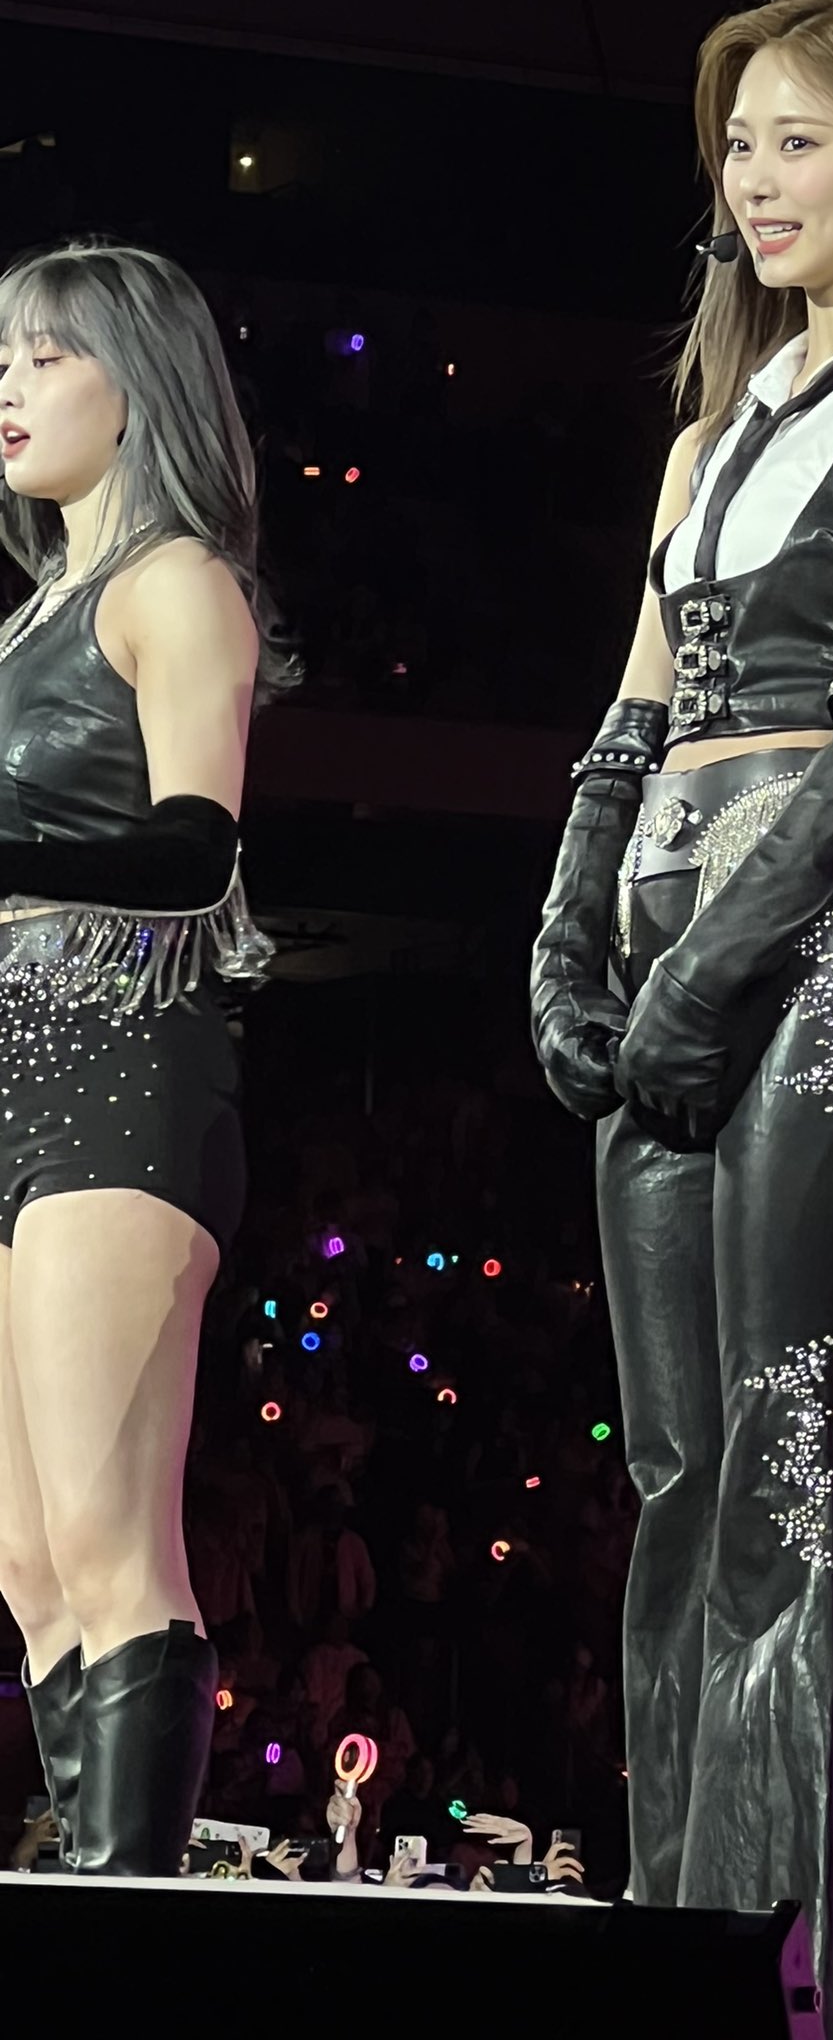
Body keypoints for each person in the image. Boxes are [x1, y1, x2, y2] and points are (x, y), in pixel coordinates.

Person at [530, 0, 833, 2034]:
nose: (752, 179)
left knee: (795, 1458)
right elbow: (628, 721)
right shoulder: (711, 432)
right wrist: (570, 945)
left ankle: (811, 1984)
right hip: (667, 932)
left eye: (798, 139)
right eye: (738, 143)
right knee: (675, 1476)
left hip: (821, 950)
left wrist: (726, 956)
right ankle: (690, 1946)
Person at [0, 237, 296, 1874]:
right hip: (10, 1071)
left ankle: (129, 1924)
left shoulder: (174, 583)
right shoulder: (25, 622)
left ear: (141, 386)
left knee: (112, 1543)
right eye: (4, 355)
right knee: (29, 1564)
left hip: (116, 1065)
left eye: (47, 355)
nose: (10, 384)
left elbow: (197, 850)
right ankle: (87, 1888)